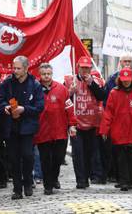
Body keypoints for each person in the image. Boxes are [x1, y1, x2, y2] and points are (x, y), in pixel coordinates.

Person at [0, 56, 44, 200]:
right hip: (11, 127)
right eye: (14, 68)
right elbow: (0, 98)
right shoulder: (7, 83)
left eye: (18, 68)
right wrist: (4, 106)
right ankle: (17, 188)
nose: (15, 71)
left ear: (26, 68)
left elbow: (39, 106)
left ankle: (28, 182)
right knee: (13, 158)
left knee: (28, 156)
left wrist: (24, 109)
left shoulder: (34, 84)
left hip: (27, 127)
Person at [100, 67, 132, 191]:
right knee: (121, 157)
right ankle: (124, 181)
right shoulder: (114, 93)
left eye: (128, 80)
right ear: (120, 80)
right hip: (119, 131)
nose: (126, 82)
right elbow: (108, 113)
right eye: (123, 80)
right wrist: (104, 130)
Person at [34, 63, 77, 195]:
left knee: (58, 158)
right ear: (40, 75)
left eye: (49, 74)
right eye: (44, 74)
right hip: (42, 132)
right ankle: (48, 185)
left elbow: (69, 108)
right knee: (45, 159)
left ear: (52, 74)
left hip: (59, 131)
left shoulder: (61, 89)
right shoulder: (35, 88)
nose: (46, 76)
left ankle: (54, 178)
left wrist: (72, 124)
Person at [65, 56, 105, 189]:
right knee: (78, 153)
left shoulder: (97, 80)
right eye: (82, 67)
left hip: (92, 123)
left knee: (89, 152)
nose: (85, 70)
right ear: (78, 67)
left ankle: (90, 175)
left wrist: (91, 83)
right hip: (76, 123)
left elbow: (101, 96)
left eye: (87, 68)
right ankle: (81, 180)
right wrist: (70, 91)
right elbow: (64, 99)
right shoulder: (70, 80)